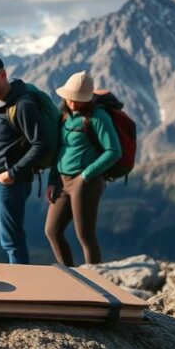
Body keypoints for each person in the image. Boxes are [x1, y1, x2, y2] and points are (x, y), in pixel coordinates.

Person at [0, 56, 52, 264]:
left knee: (11, 241)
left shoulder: (22, 104)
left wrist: (11, 174)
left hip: (11, 184)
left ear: (2, 76)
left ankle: (24, 292)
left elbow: (42, 144)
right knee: (8, 240)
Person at [44, 71, 122, 266]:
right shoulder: (65, 116)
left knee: (85, 235)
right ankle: (71, 275)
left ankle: (94, 279)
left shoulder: (98, 117)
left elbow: (114, 150)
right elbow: (60, 150)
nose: (72, 103)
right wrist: (52, 180)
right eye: (69, 98)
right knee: (52, 231)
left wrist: (86, 175)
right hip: (62, 180)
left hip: (85, 182)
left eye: (77, 99)